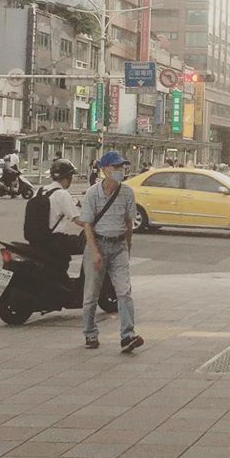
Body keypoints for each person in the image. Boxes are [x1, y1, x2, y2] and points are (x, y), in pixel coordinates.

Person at [80, 151, 143, 354]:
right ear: (105, 170)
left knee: (124, 291)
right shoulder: (92, 193)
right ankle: (90, 333)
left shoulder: (127, 193)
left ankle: (127, 336)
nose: (120, 171)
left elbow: (128, 223)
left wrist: (128, 247)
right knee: (91, 293)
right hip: (97, 245)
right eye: (115, 168)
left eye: (122, 168)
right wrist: (95, 252)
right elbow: (87, 225)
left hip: (119, 247)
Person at [30, 159, 84, 272]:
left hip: (35, 241)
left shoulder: (39, 191)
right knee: (86, 243)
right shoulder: (62, 194)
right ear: (67, 177)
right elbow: (79, 220)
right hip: (54, 241)